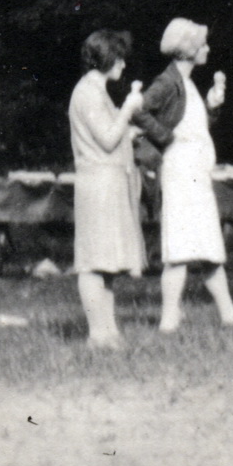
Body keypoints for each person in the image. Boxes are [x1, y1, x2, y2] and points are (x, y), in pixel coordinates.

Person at [138, 18, 233, 333]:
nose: (207, 48)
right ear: (188, 50)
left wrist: (211, 106)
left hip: (195, 172)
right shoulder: (167, 82)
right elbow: (138, 110)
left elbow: (194, 129)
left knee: (208, 245)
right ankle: (169, 319)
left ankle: (228, 315)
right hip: (181, 173)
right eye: (202, 44)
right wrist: (165, 137)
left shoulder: (187, 84)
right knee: (180, 247)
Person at [68, 28, 146, 348]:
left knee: (108, 261)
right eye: (119, 58)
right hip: (97, 185)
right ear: (106, 58)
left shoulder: (97, 92)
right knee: (93, 262)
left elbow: (112, 135)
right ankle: (96, 333)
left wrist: (130, 131)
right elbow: (107, 139)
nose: (123, 64)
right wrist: (128, 108)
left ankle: (108, 330)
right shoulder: (87, 93)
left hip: (108, 183)